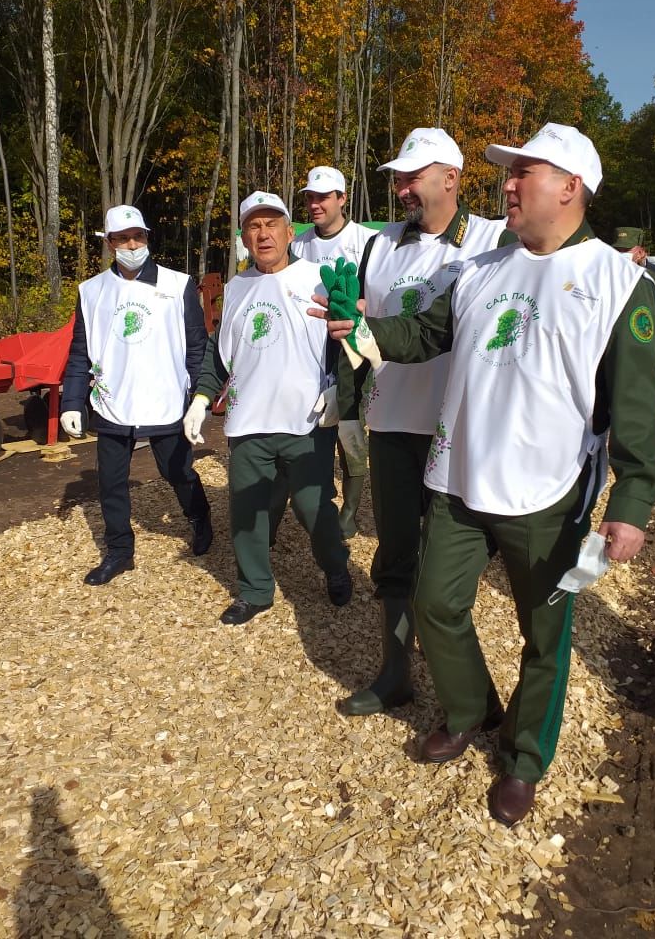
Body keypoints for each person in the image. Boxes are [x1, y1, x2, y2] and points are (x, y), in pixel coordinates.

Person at [321, 123, 655, 825]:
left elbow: (636, 410)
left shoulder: (617, 282)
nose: (507, 184)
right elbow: (425, 335)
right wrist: (363, 333)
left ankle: (524, 759)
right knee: (436, 606)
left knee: (545, 638)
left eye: (525, 173)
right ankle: (472, 708)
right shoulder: (481, 269)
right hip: (458, 476)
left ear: (570, 188)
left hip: (549, 493)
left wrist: (631, 499)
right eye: (508, 174)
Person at [334, 128, 508, 717]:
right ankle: (394, 675)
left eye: (413, 176)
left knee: (446, 573)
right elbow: (358, 327)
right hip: (390, 422)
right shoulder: (380, 244)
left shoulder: (492, 241)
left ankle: (472, 694)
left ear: (452, 177)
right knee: (396, 556)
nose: (402, 188)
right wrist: (349, 407)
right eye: (398, 178)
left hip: (456, 429)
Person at [183, 191, 352, 625]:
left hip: (307, 421)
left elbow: (347, 340)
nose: (263, 234)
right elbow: (220, 356)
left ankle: (335, 566)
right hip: (248, 422)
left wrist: (340, 391)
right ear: (243, 237)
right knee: (247, 511)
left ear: (289, 231)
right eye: (253, 226)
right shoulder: (237, 288)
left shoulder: (320, 279)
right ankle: (255, 590)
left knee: (315, 510)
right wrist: (201, 399)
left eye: (271, 224)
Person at [61, 205, 212, 585]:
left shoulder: (177, 285)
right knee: (111, 480)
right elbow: (80, 350)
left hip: (165, 398)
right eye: (123, 238)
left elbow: (197, 346)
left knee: (176, 470)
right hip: (113, 401)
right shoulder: (92, 291)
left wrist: (199, 397)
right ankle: (119, 551)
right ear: (110, 243)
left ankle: (199, 518)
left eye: (139, 236)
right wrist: (71, 401)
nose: (132, 244)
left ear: (146, 238)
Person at [288, 166, 379, 538]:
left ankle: (351, 509)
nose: (314, 204)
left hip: (350, 349)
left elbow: (374, 297)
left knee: (350, 426)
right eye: (310, 197)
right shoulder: (298, 244)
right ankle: (317, 494)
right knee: (313, 423)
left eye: (323, 197)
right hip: (308, 347)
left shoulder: (366, 240)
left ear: (342, 198)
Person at [613, 226, 655, 367]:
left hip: (644, 357)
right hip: (612, 359)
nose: (620, 254)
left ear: (640, 253)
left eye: (625, 250)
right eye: (617, 250)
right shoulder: (604, 279)